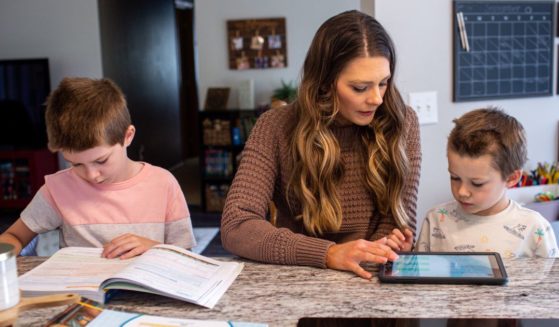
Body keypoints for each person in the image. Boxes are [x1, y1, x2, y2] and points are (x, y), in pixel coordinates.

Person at [221, 10, 422, 279]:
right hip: (299, 275)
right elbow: (237, 226)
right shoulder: (275, 126)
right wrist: (328, 254)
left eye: (383, 83)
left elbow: (398, 223)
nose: (377, 99)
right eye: (360, 88)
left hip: (370, 277)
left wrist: (381, 248)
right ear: (325, 83)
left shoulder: (403, 122)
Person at [0, 77, 196, 259]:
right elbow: (14, 236)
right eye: (76, 164)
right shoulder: (57, 189)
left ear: (127, 136)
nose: (91, 175)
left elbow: (186, 256)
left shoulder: (163, 183)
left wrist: (154, 249)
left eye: (101, 161)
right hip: (78, 293)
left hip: (148, 294)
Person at [389, 107, 558, 258]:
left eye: (477, 183)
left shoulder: (535, 228)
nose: (462, 191)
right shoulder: (436, 221)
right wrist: (406, 257)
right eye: (455, 178)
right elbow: (421, 279)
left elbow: (550, 288)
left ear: (511, 178)